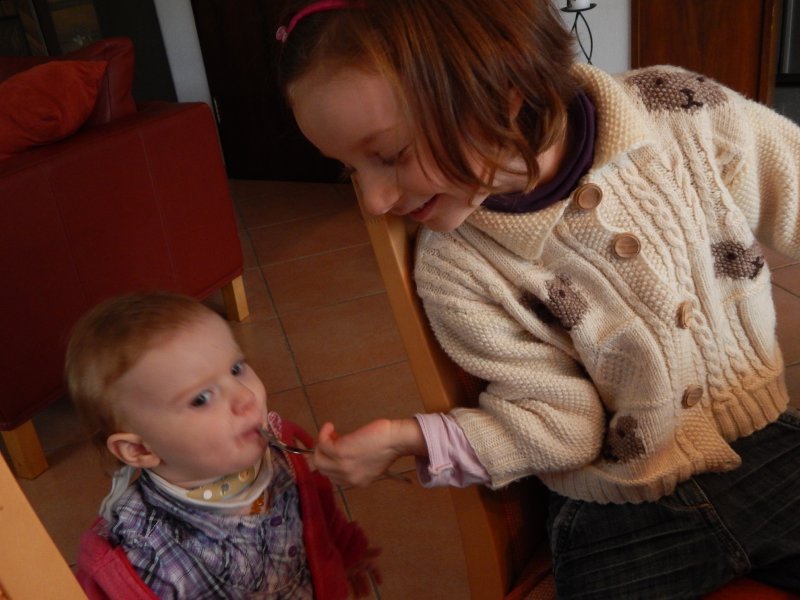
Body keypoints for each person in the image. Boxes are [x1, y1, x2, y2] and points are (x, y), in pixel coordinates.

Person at [274, 0, 800, 597]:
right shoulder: (455, 269)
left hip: (768, 448)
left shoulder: (682, 111)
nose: (371, 202)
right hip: (620, 515)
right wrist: (407, 438)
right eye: (349, 170)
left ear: (504, 89)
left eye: (389, 156)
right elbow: (563, 426)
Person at [65, 291, 378, 600]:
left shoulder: (286, 452)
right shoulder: (142, 556)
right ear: (140, 450)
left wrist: (347, 551)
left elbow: (320, 513)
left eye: (236, 369)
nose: (245, 397)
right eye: (201, 398)